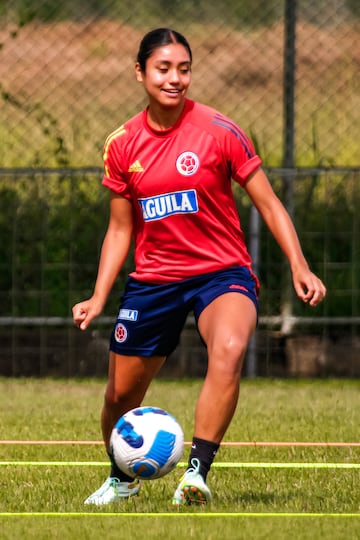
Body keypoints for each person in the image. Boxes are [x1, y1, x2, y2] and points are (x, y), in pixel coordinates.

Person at [72, 28, 326, 506]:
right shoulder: (123, 144)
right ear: (140, 72)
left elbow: (269, 204)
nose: (175, 79)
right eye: (164, 69)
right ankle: (123, 477)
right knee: (119, 398)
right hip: (154, 282)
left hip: (221, 272)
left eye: (184, 69)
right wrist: (99, 295)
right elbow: (120, 230)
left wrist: (300, 265)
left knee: (229, 349)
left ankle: (196, 474)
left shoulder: (220, 131)